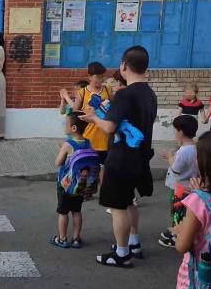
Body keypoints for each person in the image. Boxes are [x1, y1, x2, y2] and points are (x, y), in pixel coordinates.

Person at [80, 45, 157, 268]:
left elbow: (110, 127)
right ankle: (133, 242)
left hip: (122, 158)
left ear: (124, 65)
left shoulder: (125, 94)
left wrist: (94, 118)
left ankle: (122, 253)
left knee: (118, 206)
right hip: (141, 157)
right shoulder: (149, 94)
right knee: (130, 201)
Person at [174, 130, 211, 288]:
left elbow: (182, 245)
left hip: (202, 277)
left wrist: (179, 230)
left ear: (206, 162)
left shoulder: (199, 201)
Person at [50, 111, 92, 249]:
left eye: (66, 123)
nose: (64, 125)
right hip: (81, 184)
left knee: (63, 212)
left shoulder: (68, 144)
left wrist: (62, 150)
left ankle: (62, 238)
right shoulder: (87, 142)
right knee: (77, 211)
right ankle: (76, 238)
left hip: (65, 184)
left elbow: (57, 162)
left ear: (73, 128)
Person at [158, 115, 199, 248]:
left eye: (175, 130)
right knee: (183, 211)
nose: (174, 133)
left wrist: (169, 157)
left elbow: (175, 169)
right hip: (191, 186)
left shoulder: (184, 152)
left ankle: (178, 237)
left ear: (180, 132)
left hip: (182, 187)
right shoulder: (195, 147)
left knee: (179, 212)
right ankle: (176, 232)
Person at [70, 62, 113, 164]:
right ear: (89, 77)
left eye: (103, 76)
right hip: (88, 137)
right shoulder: (82, 93)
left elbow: (114, 108)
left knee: (103, 167)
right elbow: (75, 114)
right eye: (98, 77)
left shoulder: (108, 90)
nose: (101, 79)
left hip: (105, 137)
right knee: (88, 168)